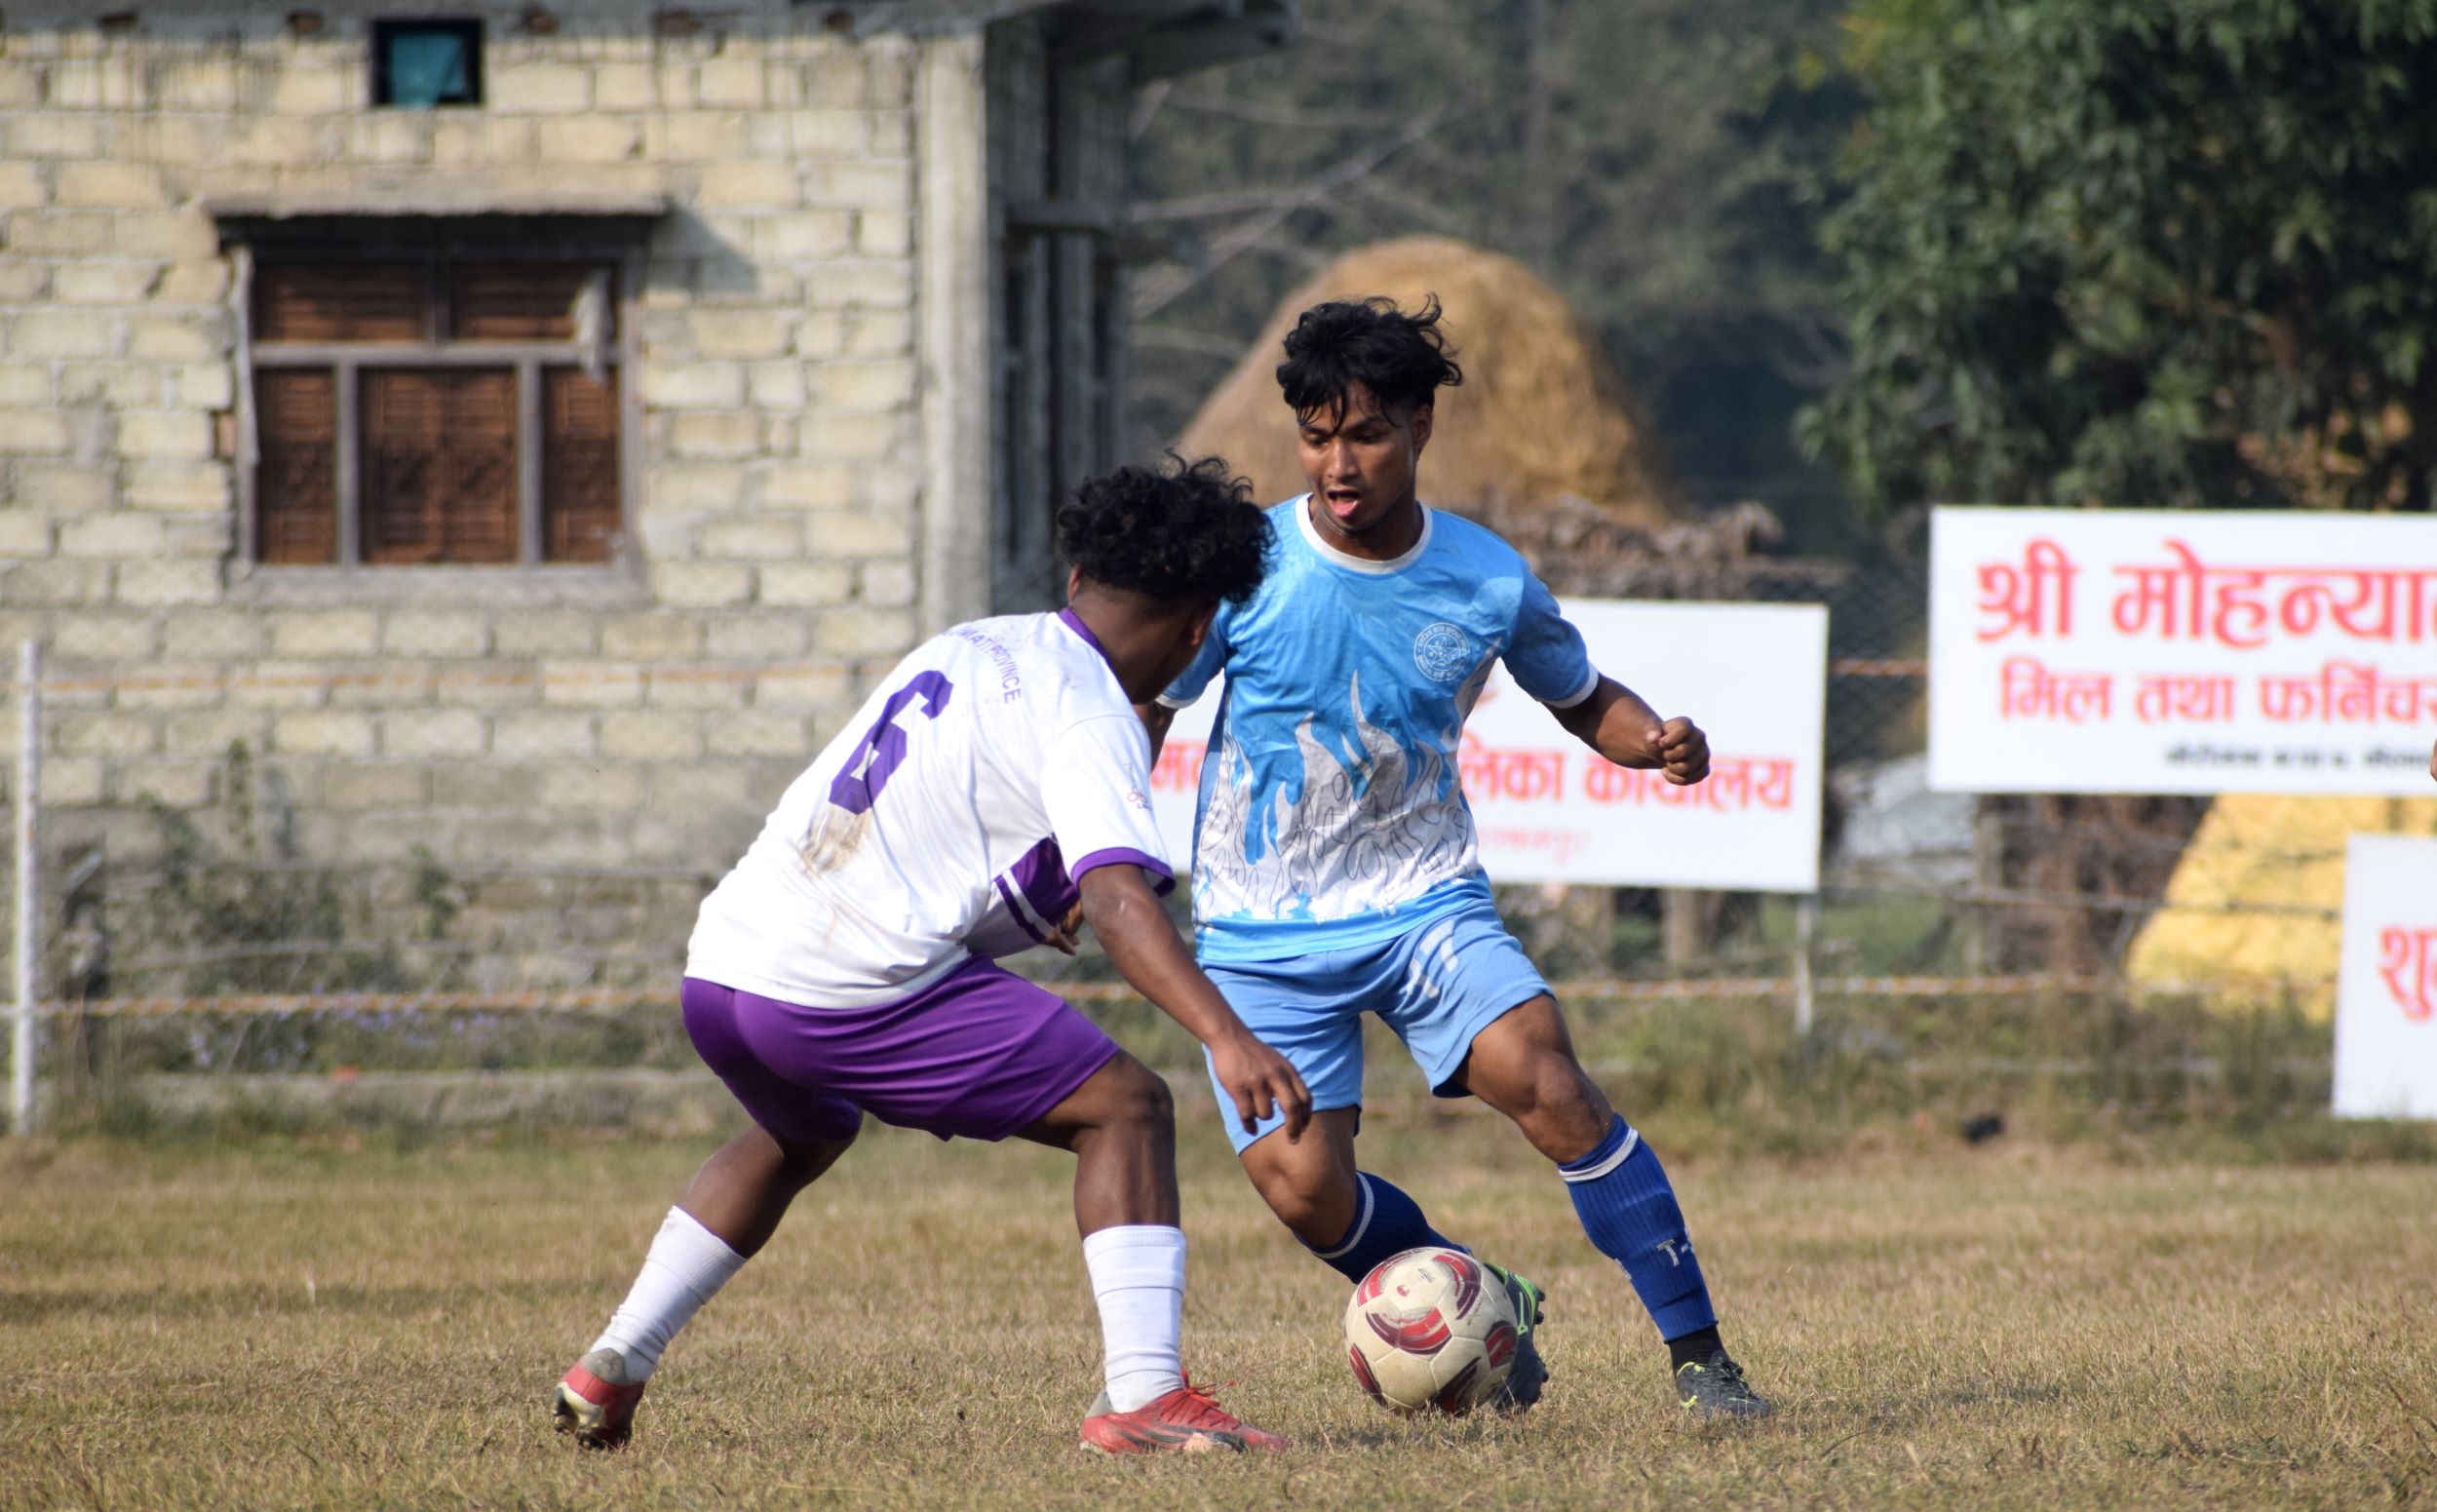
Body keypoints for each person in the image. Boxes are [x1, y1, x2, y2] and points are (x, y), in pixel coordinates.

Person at [554, 457, 1312, 1455]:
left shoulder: (975, 643)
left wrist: (1031, 896)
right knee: (1127, 1108)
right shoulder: (1088, 712)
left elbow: (934, 821)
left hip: (728, 966)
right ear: (1193, 630)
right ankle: (1144, 1396)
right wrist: (1226, 1035)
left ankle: (611, 1364)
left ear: (1078, 575)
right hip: (839, 992)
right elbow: (1119, 903)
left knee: (802, 1131)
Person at [1144, 297, 1771, 1420]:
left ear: (1422, 426)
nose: (1340, 463)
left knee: (1548, 1079)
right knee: (1301, 1192)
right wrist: (1095, 843)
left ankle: (1703, 1363)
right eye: (1318, 435)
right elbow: (1148, 710)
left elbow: (1581, 697)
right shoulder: (1245, 569)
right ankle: (1482, 1301)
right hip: (1258, 932)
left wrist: (1655, 742)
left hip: (1422, 904)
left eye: (1367, 434)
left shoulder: (1484, 577)